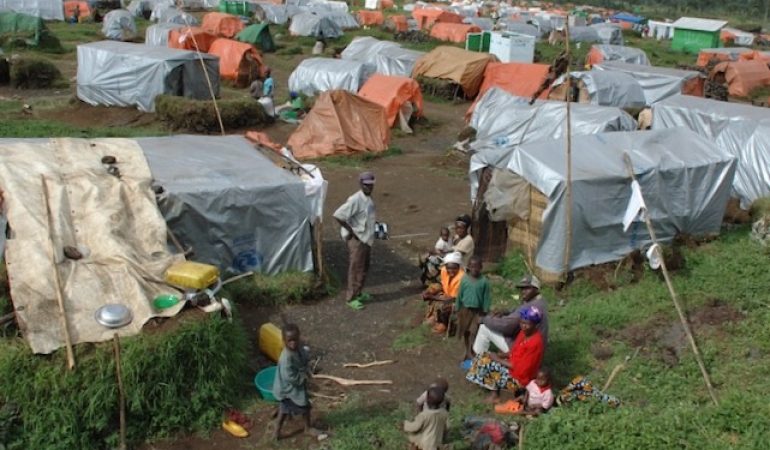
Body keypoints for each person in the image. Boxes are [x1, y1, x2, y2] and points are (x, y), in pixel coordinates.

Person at [465, 306, 545, 404]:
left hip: (520, 380)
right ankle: (490, 385)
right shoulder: (524, 333)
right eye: (522, 322)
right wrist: (502, 355)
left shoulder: (535, 343)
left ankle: (494, 395)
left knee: (486, 361)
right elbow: (514, 351)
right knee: (485, 356)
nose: (523, 326)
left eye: (527, 324)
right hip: (513, 368)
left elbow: (519, 368)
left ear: (535, 325)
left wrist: (497, 359)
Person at [272, 324, 326, 440]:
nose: (293, 343)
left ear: (299, 337)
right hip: (289, 388)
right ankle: (307, 428)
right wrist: (304, 378)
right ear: (284, 341)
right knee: (305, 406)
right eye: (290, 341)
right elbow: (290, 377)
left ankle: (276, 432)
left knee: (284, 409)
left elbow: (304, 356)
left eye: (295, 340)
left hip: (287, 389)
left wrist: (309, 365)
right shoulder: (286, 358)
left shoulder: (298, 349)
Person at [472, 275, 549, 355]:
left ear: (536, 289)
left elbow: (506, 325)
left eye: (527, 288)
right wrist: (506, 311)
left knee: (484, 328)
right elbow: (518, 312)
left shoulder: (530, 306)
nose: (523, 291)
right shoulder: (540, 301)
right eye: (522, 288)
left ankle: (477, 362)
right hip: (534, 348)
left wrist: (484, 319)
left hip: (524, 351)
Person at [334, 172, 376, 309]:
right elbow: (339, 215)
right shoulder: (355, 199)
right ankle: (351, 298)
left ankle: (358, 293)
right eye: (366, 185)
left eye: (371, 185)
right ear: (360, 184)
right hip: (357, 240)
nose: (369, 188)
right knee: (355, 268)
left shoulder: (368, 200)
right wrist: (352, 231)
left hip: (366, 239)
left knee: (364, 267)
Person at [455, 256, 491, 361]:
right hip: (465, 310)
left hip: (477, 311)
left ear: (481, 267)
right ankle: (466, 350)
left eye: (477, 267)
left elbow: (486, 297)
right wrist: (457, 307)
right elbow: (460, 294)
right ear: (468, 267)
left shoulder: (484, 281)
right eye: (472, 266)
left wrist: (485, 310)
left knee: (474, 331)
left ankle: (472, 351)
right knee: (465, 331)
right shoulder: (464, 279)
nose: (474, 269)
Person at [422, 251, 464, 334]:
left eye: (454, 268)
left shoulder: (462, 278)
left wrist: (432, 297)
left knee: (444, 305)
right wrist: (429, 291)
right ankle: (434, 316)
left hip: (458, 301)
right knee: (433, 288)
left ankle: (443, 323)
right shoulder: (444, 270)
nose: (451, 271)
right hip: (447, 294)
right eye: (449, 268)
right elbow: (442, 283)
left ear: (459, 267)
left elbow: (453, 298)